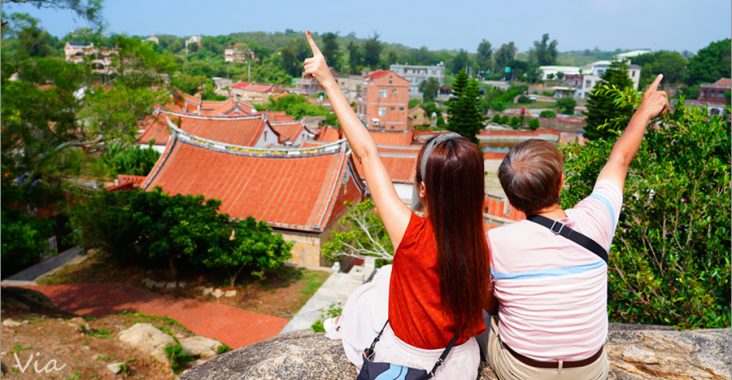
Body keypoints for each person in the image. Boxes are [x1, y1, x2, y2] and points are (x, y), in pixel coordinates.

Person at [303, 31, 494, 379]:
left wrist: (328, 79)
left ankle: (340, 327)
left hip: (404, 358)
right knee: (391, 276)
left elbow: (366, 153)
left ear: (423, 187)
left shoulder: (411, 234)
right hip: (456, 364)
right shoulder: (482, 240)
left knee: (369, 293)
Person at [486, 74, 670, 379]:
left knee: (477, 318)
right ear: (561, 183)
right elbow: (620, 159)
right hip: (589, 369)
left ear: (510, 197)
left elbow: (488, 302)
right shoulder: (596, 219)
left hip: (524, 371)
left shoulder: (496, 242)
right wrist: (643, 111)